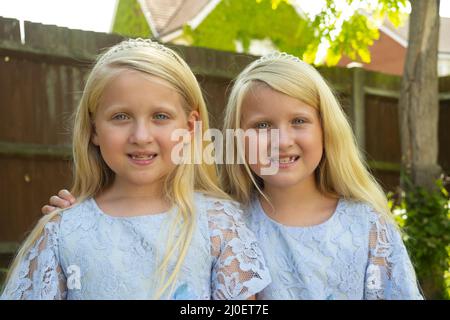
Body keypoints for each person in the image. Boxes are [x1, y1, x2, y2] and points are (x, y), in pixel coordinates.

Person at [1, 39, 270, 300]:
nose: (141, 136)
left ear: (190, 127)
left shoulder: (218, 224)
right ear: (94, 129)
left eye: (160, 116)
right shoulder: (63, 232)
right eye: (121, 117)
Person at [219, 52, 423, 299]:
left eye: (298, 121)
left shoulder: (368, 226)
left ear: (326, 129)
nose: (282, 141)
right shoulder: (226, 226)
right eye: (262, 125)